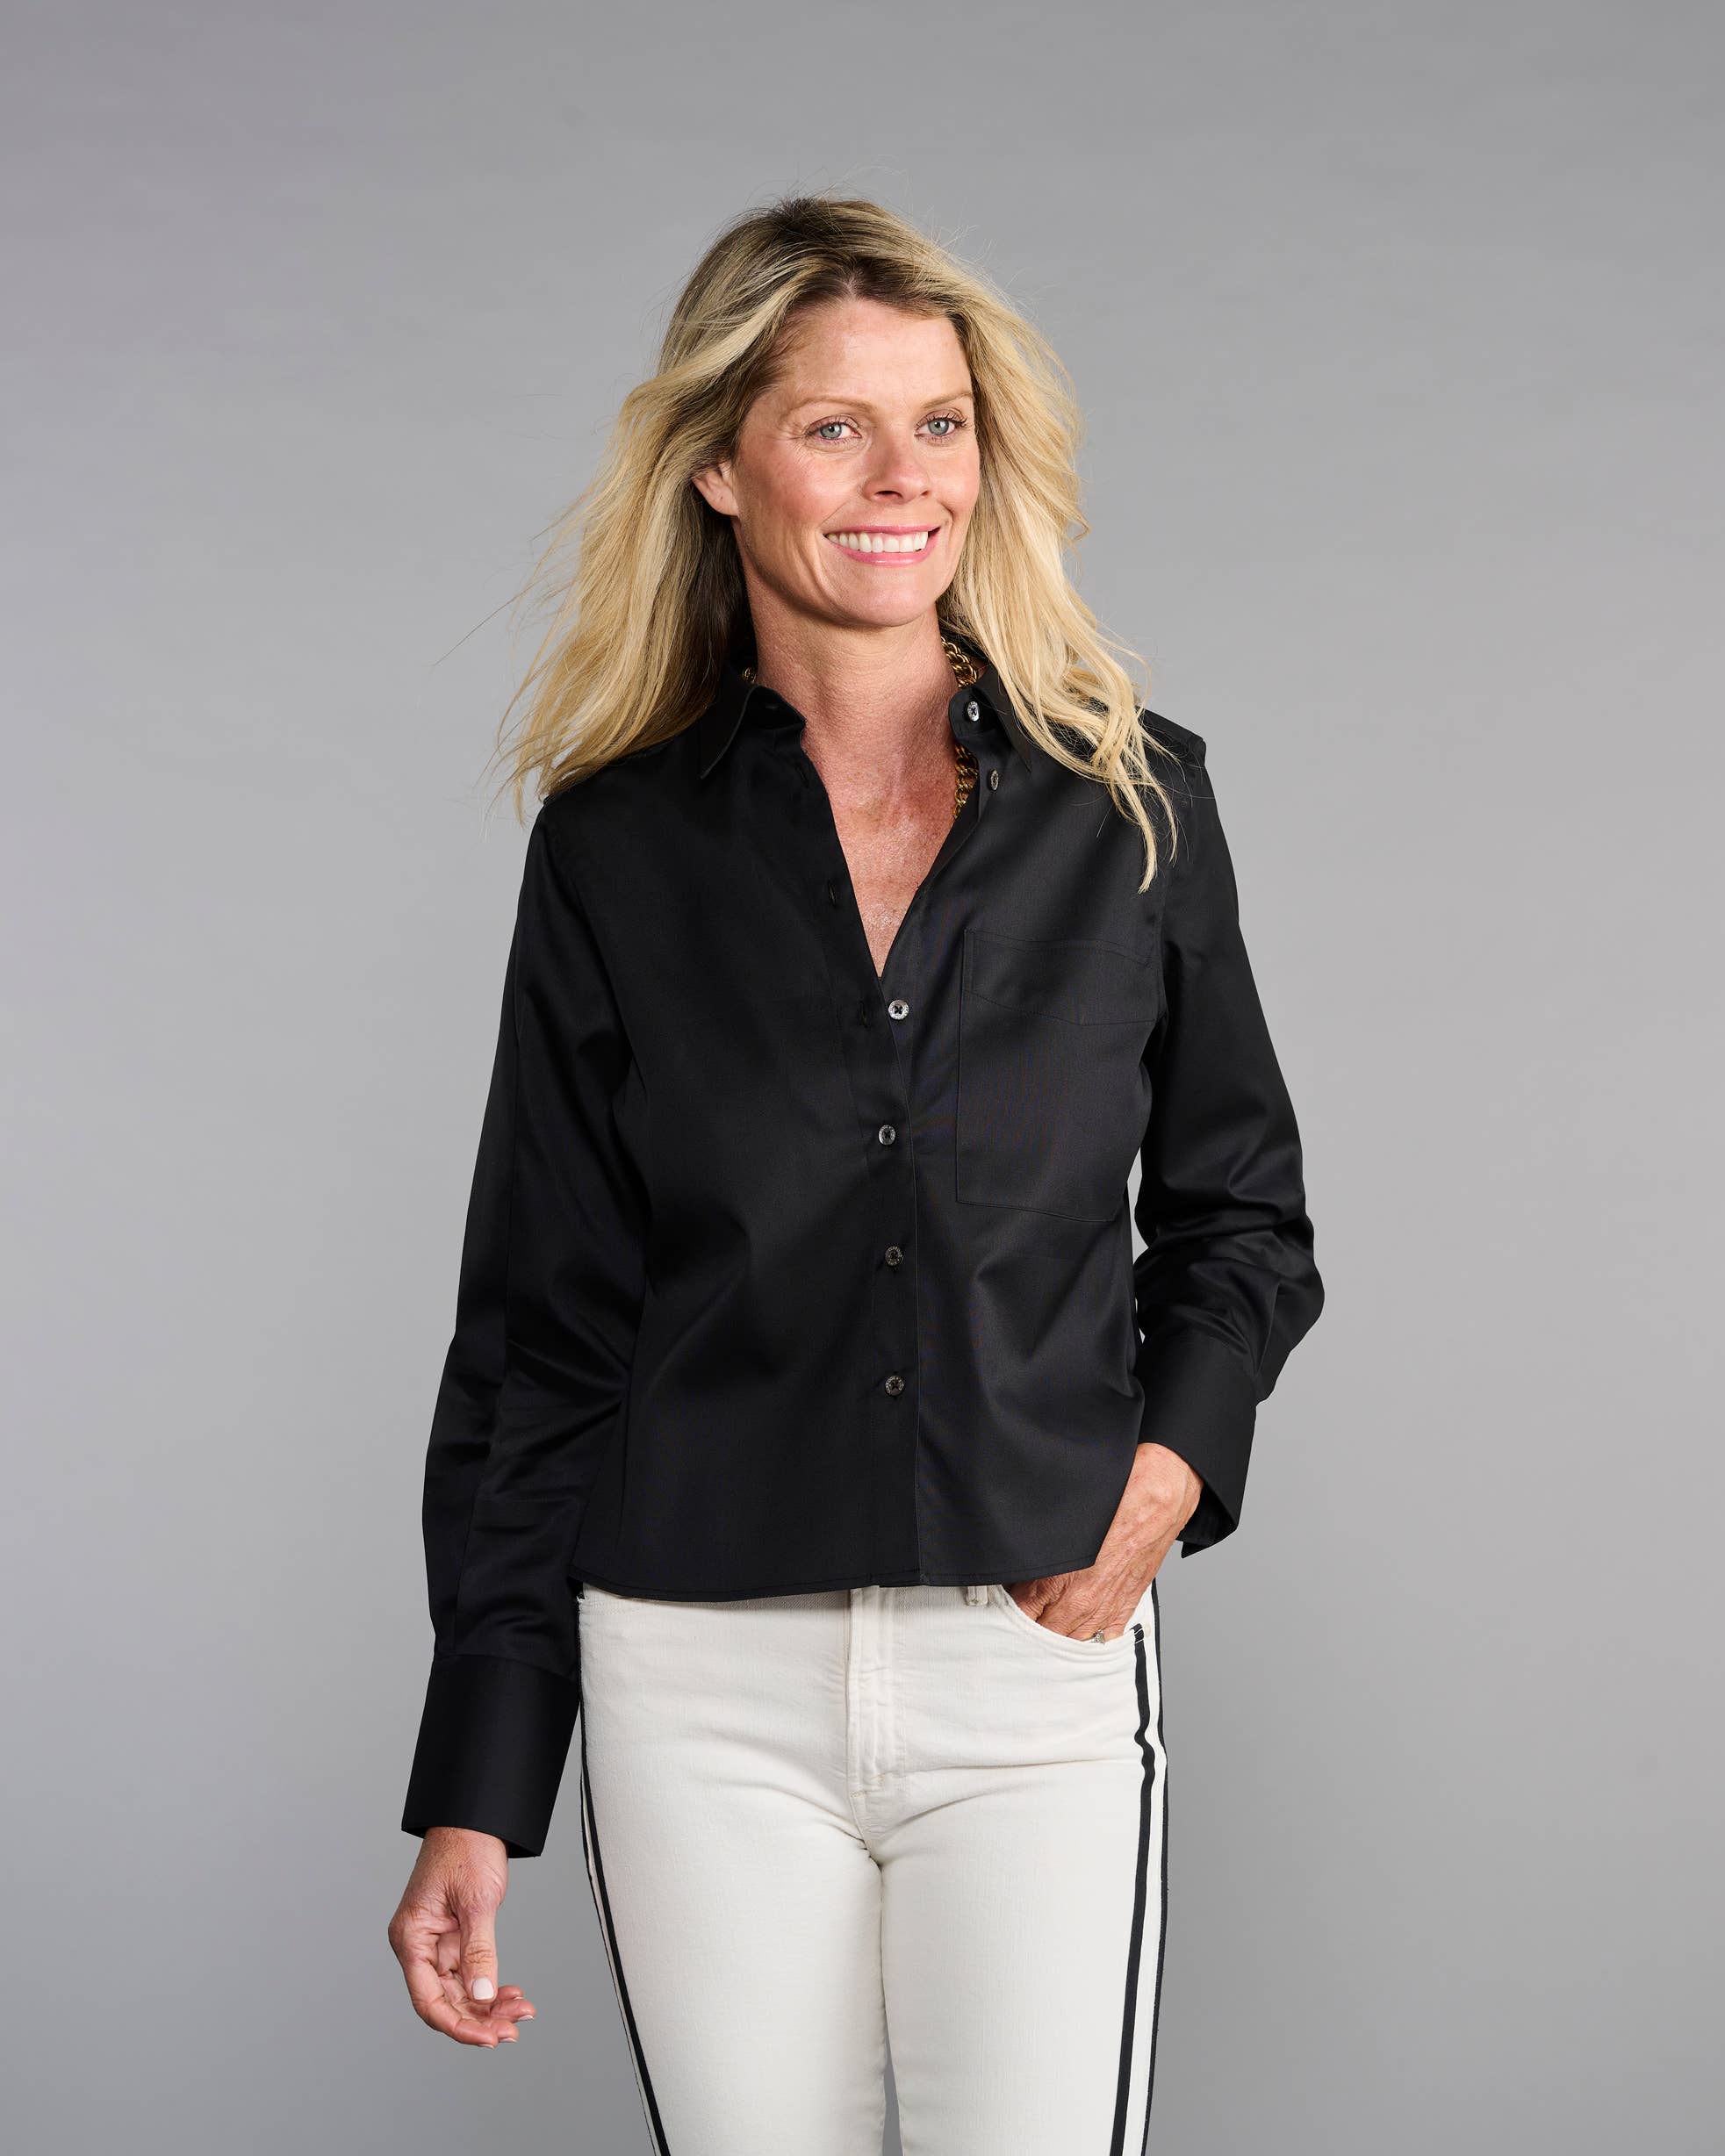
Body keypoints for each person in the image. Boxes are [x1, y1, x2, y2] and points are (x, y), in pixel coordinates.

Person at [386, 192, 1324, 2155]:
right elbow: (545, 1328)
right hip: (693, 1675)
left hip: (1030, 1656)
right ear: (720, 467)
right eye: (834, 426)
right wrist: (478, 1780)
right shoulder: (615, 847)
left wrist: (1163, 1476)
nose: (904, 479)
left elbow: (1239, 1215)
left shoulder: (1131, 802)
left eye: (940, 425)